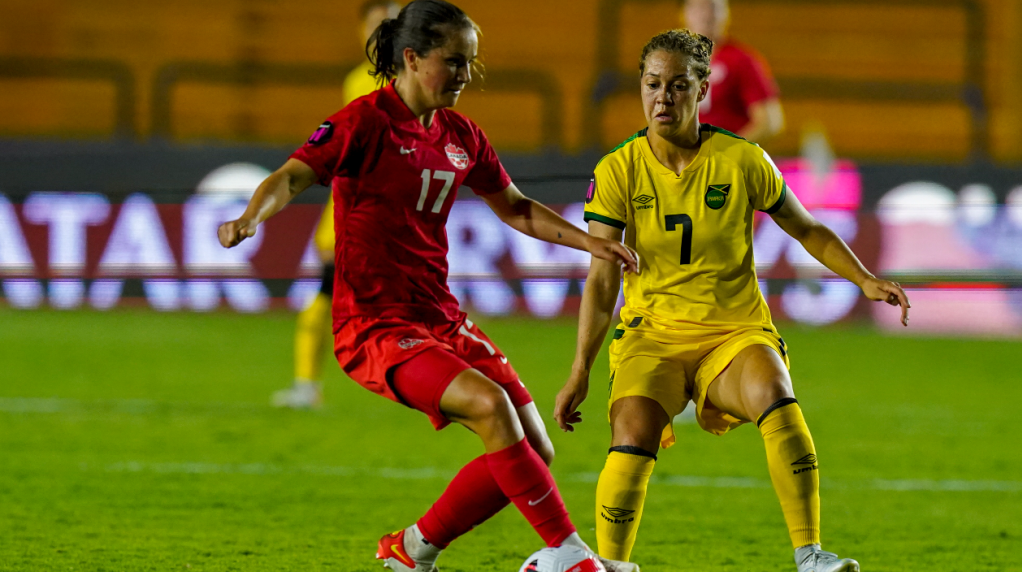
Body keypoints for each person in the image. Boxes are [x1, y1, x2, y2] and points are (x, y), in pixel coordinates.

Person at [219, 2, 641, 570]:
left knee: (536, 447)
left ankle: (412, 549)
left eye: (471, 63)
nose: (466, 75)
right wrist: (251, 217)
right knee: (491, 407)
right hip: (374, 323)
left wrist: (589, 241)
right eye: (454, 62)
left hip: (439, 316)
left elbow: (515, 208)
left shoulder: (461, 134)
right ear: (412, 59)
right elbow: (294, 173)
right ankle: (569, 553)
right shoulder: (363, 122)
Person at [554, 29, 910, 572]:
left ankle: (810, 555)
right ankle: (609, 565)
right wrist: (579, 368)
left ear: (701, 92)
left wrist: (862, 279)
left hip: (734, 330)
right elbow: (602, 279)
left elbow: (807, 229)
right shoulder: (618, 170)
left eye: (678, 86)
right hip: (652, 333)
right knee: (632, 431)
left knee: (774, 390)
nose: (662, 98)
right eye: (652, 84)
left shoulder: (742, 159)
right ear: (640, 88)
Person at [271, 0, 402, 409]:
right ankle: (308, 385)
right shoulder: (360, 81)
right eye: (375, 25)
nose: (381, 33)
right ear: (362, 32)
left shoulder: (409, 82)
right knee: (329, 297)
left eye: (390, 25)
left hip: (394, 215)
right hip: (359, 215)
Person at [683, 0, 784, 143]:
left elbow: (770, 121)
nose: (706, 15)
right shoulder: (676, 62)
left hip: (727, 161)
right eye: (699, 8)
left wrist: (730, 150)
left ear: (726, 13)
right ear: (685, 13)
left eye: (713, 8)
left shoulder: (742, 60)